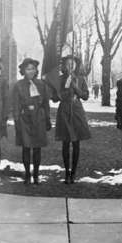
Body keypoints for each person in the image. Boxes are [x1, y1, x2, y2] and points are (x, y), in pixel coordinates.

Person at [52, 55, 91, 184]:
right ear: (64, 66)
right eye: (68, 64)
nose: (70, 66)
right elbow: (54, 98)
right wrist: (65, 89)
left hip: (77, 111)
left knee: (76, 143)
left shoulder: (80, 79)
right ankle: (67, 172)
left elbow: (85, 96)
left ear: (76, 65)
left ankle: (73, 172)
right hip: (64, 111)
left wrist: (75, 87)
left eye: (72, 64)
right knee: (65, 142)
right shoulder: (60, 79)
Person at [12, 58, 51, 185]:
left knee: (37, 148)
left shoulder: (41, 84)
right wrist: (17, 121)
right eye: (28, 69)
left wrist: (47, 119)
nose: (31, 71)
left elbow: (46, 103)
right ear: (23, 70)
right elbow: (16, 105)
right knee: (26, 147)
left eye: (33, 69)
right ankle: (27, 174)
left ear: (36, 70)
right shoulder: (18, 85)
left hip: (39, 118)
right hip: (25, 118)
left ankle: (36, 174)